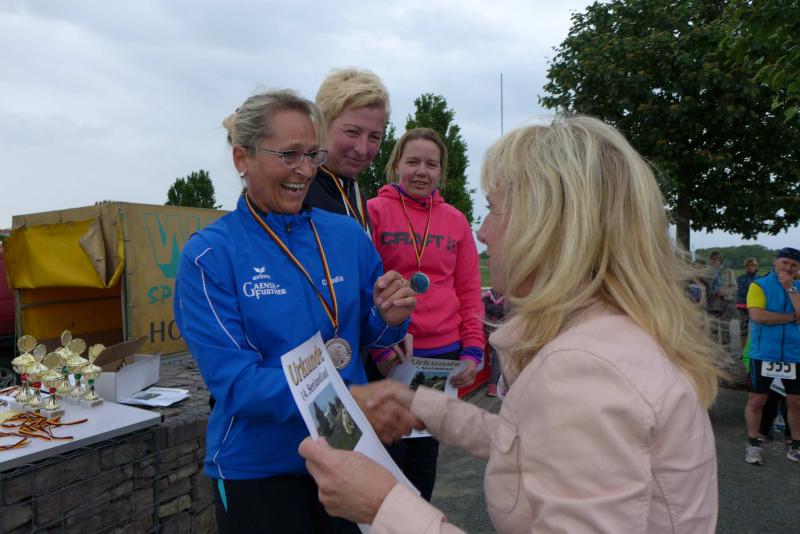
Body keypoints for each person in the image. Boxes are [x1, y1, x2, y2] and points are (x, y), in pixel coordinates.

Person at [300, 116, 722, 532]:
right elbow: (536, 443)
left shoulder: (586, 369)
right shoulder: (610, 334)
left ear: (546, 228)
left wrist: (383, 506)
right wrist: (420, 405)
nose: (482, 232)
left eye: (493, 210)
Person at [173, 89, 419, 533]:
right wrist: (347, 401)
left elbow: (370, 337)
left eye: (312, 154)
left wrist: (390, 317)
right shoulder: (210, 255)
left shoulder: (347, 235)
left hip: (346, 456)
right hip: (259, 468)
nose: (304, 170)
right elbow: (238, 385)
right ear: (242, 159)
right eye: (288, 155)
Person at [364, 127, 484, 501]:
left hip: (442, 356)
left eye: (431, 164)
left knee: (423, 454)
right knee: (387, 451)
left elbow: (468, 290)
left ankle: (419, 521)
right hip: (393, 354)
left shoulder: (456, 220)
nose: (421, 171)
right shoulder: (374, 211)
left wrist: (473, 349)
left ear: (441, 171)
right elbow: (363, 287)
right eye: (413, 161)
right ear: (396, 165)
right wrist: (379, 347)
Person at [305, 67, 389, 234]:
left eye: (374, 137)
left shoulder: (354, 194)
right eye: (352, 132)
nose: (362, 150)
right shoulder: (297, 192)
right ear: (320, 126)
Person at [743, 247, 800, 465]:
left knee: (796, 401)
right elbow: (758, 316)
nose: (788, 268)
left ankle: (796, 446)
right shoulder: (759, 285)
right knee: (757, 400)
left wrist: (790, 289)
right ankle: (753, 444)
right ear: (775, 262)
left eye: (794, 265)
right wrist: (792, 317)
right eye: (785, 262)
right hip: (764, 352)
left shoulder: (797, 287)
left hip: (794, 353)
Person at [706, 250, 738, 348]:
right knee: (713, 332)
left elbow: (734, 288)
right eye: (712, 259)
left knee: (725, 332)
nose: (714, 261)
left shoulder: (728, 272)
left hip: (726, 306)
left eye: (716, 259)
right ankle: (714, 354)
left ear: (720, 260)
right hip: (712, 306)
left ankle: (726, 353)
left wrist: (723, 292)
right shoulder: (706, 272)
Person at [482, 288, 505, 397]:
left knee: (497, 350)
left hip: (504, 329)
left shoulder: (512, 295)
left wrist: (493, 308)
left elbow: (510, 312)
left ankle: (494, 383)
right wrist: (495, 309)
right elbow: (483, 306)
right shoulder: (490, 293)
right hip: (488, 327)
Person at [736, 257, 760, 348]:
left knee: (757, 328)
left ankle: (756, 349)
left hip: (756, 307)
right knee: (743, 329)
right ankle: (743, 349)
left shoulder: (760, 278)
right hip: (742, 306)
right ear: (745, 267)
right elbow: (740, 292)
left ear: (756, 266)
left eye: (752, 265)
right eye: (748, 265)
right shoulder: (740, 278)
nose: (750, 267)